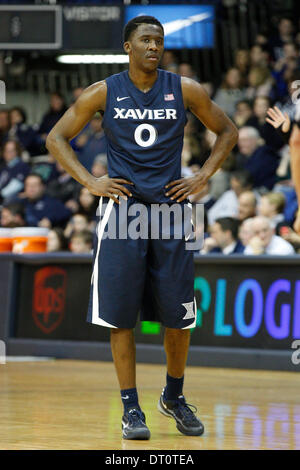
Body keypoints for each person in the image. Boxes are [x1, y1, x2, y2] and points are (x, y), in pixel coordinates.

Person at [46, 15, 238, 440]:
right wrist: (91, 181)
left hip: (173, 212)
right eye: (146, 40)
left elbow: (227, 131)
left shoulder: (185, 89)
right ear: (128, 47)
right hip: (122, 212)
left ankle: (173, 396)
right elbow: (56, 138)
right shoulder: (103, 92)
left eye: (160, 41)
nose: (155, 46)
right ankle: (131, 408)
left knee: (179, 316)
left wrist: (202, 176)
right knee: (120, 317)